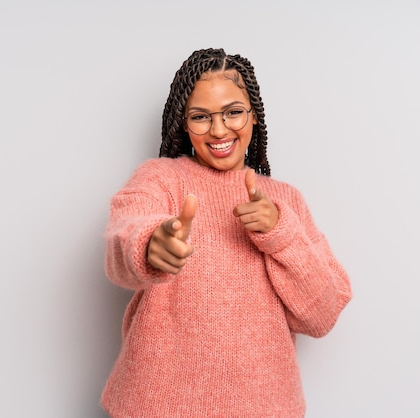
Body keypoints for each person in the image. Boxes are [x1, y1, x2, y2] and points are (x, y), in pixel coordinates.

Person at [101, 48, 352, 417]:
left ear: (254, 117)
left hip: (266, 408)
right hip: (156, 407)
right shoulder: (161, 179)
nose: (219, 130)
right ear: (183, 123)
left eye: (233, 112)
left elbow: (322, 315)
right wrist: (151, 243)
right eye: (201, 117)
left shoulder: (286, 201)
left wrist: (280, 234)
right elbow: (124, 233)